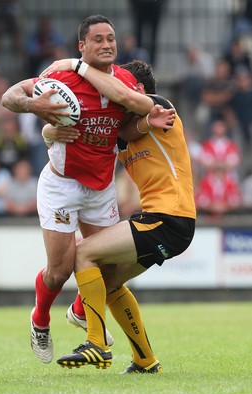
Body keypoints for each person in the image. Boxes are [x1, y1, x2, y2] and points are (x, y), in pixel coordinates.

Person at [2, 15, 175, 365]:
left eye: (110, 38)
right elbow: (9, 96)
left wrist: (144, 120)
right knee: (60, 270)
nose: (107, 44)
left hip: (100, 189)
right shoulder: (60, 77)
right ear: (82, 46)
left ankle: (83, 313)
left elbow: (126, 128)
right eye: (98, 39)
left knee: (107, 268)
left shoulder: (124, 82)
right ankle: (40, 320)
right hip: (61, 185)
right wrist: (36, 107)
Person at [41, 59, 195, 373]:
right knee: (109, 284)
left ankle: (96, 344)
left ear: (136, 89)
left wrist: (78, 66)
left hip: (168, 218)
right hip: (167, 223)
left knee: (83, 253)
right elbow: (75, 127)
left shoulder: (161, 108)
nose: (113, 98)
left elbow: (124, 98)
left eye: (121, 88)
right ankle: (145, 361)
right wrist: (49, 130)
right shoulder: (124, 131)